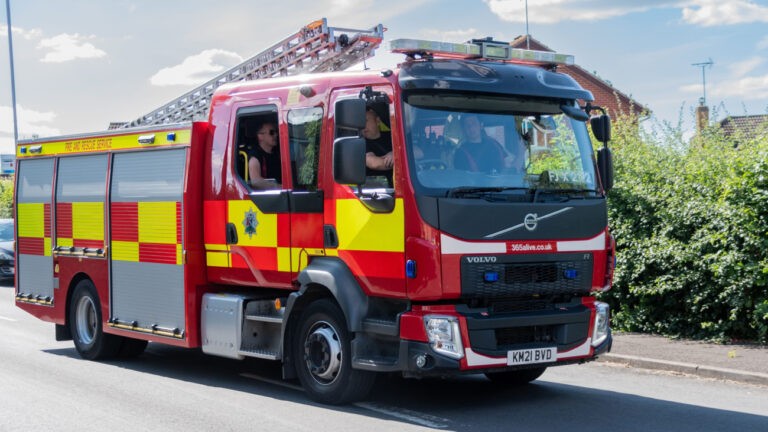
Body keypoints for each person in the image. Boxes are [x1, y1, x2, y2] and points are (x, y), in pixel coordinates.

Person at [362, 107, 394, 187]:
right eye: (360, 122)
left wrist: (395, 153)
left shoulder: (392, 135)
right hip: (376, 192)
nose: (362, 125)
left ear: (378, 121)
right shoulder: (360, 142)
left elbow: (418, 151)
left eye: (365, 121)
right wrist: (398, 159)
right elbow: (374, 163)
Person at [248, 122, 282, 190]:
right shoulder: (255, 157)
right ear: (260, 136)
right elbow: (256, 182)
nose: (276, 135)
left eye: (276, 132)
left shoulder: (278, 153)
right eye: (271, 132)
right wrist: (280, 187)